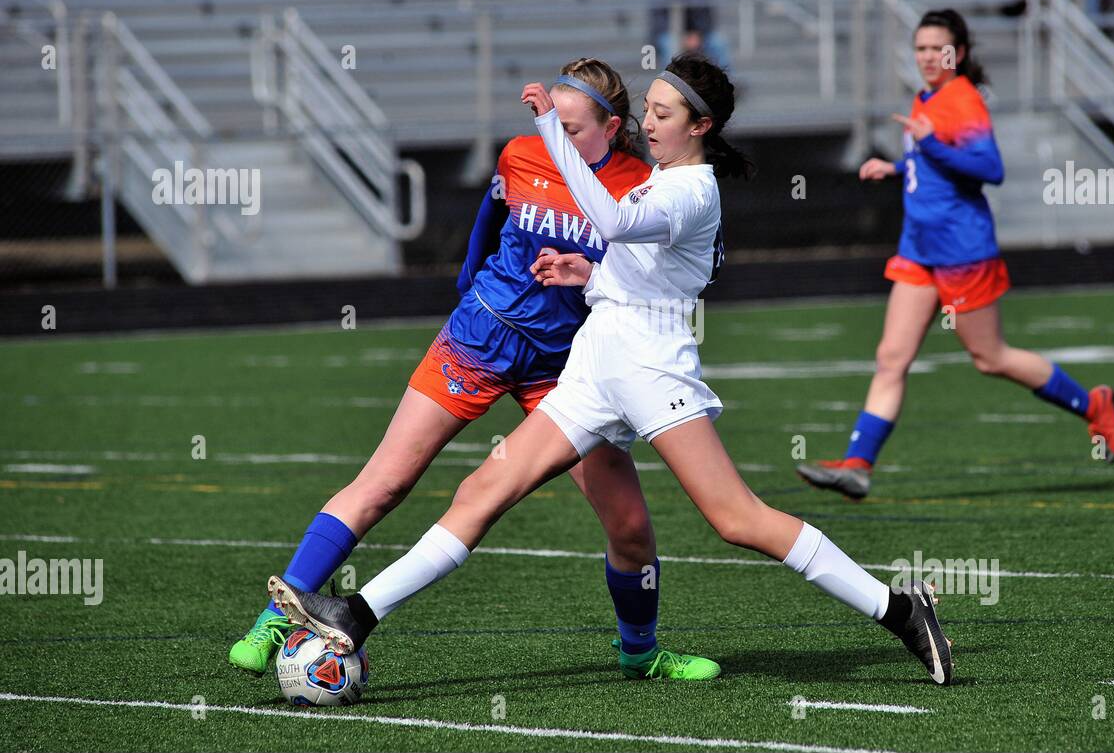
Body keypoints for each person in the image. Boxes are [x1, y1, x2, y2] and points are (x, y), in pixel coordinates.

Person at [266, 54, 958, 687]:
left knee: (737, 518)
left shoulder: (690, 189)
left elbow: (613, 218)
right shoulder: (667, 179)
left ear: (701, 125)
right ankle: (356, 613)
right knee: (485, 488)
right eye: (649, 109)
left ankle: (899, 609)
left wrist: (551, 130)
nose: (648, 123)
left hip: (650, 365)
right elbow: (645, 259)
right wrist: (589, 271)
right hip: (601, 355)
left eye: (663, 114)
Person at [229, 58, 720, 682]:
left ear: (611, 126)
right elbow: (489, 216)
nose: (554, 138)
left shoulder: (642, 185)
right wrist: (467, 281)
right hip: (479, 337)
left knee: (629, 524)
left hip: (568, 364)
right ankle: (274, 619)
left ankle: (641, 652)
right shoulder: (520, 153)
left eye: (570, 129)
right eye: (550, 125)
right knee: (384, 482)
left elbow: (668, 263)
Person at [796, 10, 1114, 501]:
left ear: (960, 54)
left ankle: (1093, 402)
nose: (928, 57)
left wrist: (929, 145)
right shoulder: (926, 97)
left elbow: (989, 167)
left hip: (963, 253)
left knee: (990, 358)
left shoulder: (964, 101)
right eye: (921, 48)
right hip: (919, 251)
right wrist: (897, 165)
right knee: (891, 358)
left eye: (938, 49)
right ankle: (858, 466)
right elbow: (933, 156)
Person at [647, 0, 730, 71]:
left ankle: (727, 80)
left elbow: (706, 17)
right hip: (669, 34)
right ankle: (669, 83)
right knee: (670, 44)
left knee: (718, 41)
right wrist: (683, 37)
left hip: (695, 35)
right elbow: (659, 22)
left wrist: (698, 34)